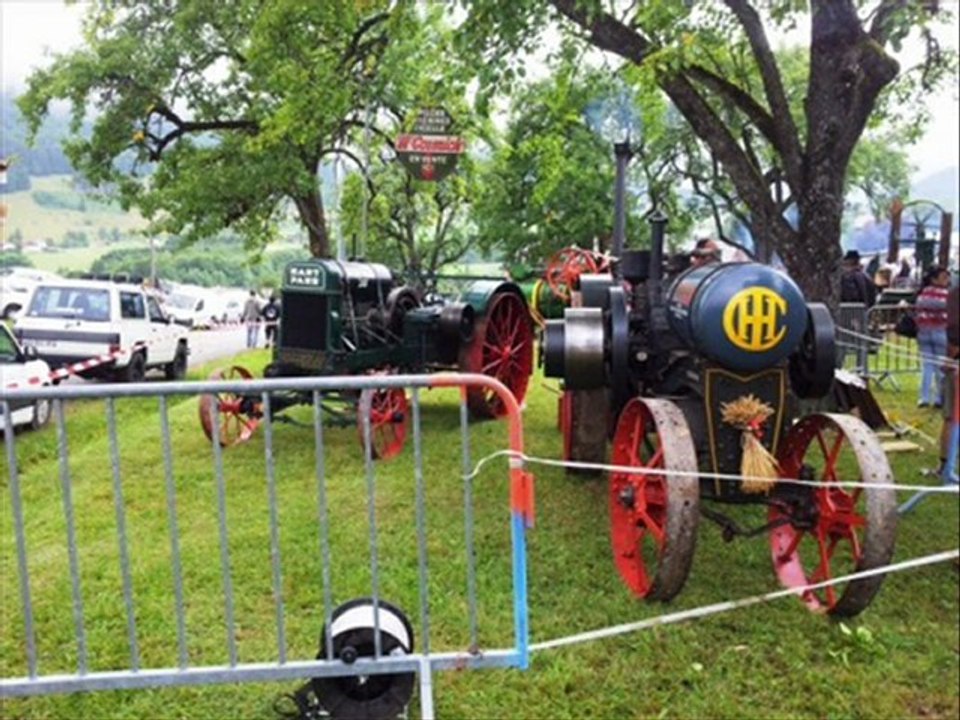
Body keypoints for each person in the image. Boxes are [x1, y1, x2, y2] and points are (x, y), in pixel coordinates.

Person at [916, 266, 950, 407]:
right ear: (934, 279)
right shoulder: (946, 295)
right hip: (941, 331)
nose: (947, 280)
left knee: (927, 366)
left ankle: (924, 397)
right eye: (944, 277)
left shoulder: (922, 294)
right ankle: (939, 398)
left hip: (923, 332)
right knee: (941, 367)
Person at [940, 281, 959, 483]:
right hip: (956, 363)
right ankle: (946, 465)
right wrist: (952, 356)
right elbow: (954, 331)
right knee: (952, 415)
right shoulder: (956, 294)